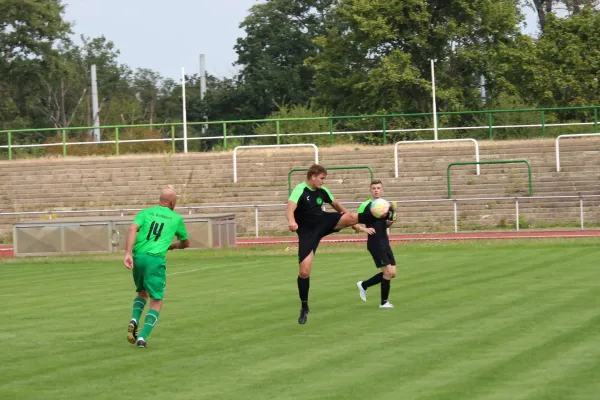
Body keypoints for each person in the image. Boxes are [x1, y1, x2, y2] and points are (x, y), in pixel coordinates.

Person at [286, 164, 392, 325]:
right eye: (322, 178)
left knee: (349, 216)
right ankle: (304, 306)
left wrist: (353, 222)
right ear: (313, 176)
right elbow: (289, 208)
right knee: (304, 271)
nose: (323, 181)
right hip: (307, 231)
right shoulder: (300, 189)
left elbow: (336, 205)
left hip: (323, 221)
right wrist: (291, 221)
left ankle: (380, 215)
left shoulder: (323, 190)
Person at [124, 188, 190, 348]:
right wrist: (173, 246)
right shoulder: (176, 218)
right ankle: (142, 337)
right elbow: (186, 243)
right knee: (157, 300)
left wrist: (128, 253)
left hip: (138, 256)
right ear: (172, 202)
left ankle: (134, 319)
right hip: (155, 259)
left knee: (141, 292)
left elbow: (132, 228)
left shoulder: (145, 212)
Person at [354, 180, 397, 308]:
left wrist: (392, 219)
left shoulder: (385, 205)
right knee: (387, 272)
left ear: (382, 190)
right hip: (375, 243)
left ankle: (364, 285)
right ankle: (384, 303)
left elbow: (386, 224)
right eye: (374, 188)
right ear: (370, 190)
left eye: (378, 188)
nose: (376, 190)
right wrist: (365, 229)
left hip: (385, 242)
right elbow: (353, 222)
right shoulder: (365, 205)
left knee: (392, 273)